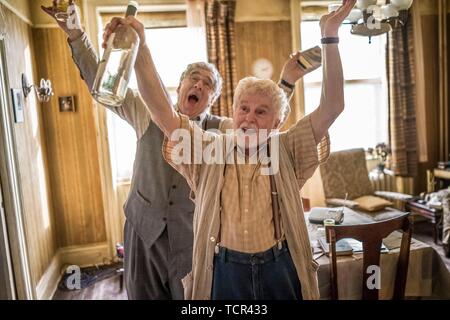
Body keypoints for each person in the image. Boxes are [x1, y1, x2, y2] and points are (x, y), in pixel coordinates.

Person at [42, 1, 310, 300]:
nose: (198, 83)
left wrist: (285, 81)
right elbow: (101, 83)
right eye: (193, 77)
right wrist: (77, 34)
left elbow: (263, 124)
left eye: (207, 83)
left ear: (213, 99)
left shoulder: (220, 131)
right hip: (142, 230)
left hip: (191, 237)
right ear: (180, 86)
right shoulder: (147, 112)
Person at [105, 0, 355, 300]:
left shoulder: (286, 148)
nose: (249, 117)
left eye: (261, 112)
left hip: (279, 266)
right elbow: (162, 113)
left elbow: (333, 106)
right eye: (244, 108)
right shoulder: (209, 149)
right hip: (224, 269)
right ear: (232, 112)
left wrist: (329, 35)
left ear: (277, 123)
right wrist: (141, 49)